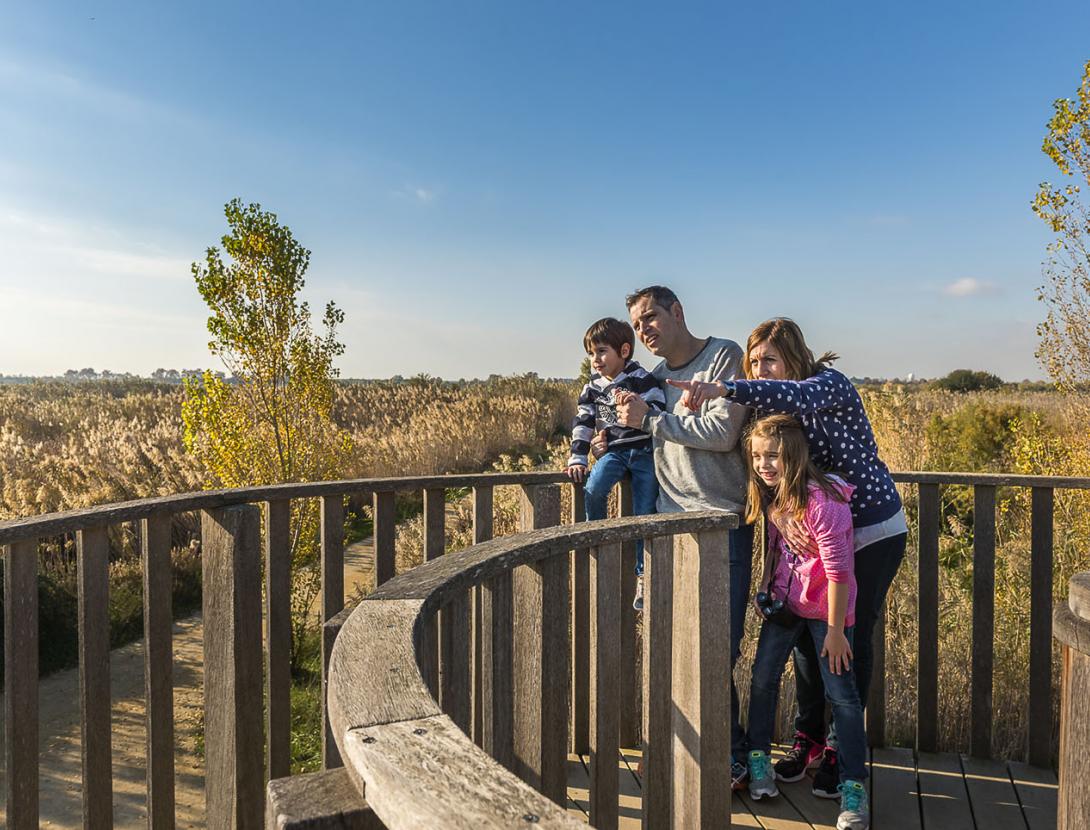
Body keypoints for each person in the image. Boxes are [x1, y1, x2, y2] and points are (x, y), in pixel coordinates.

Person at [668, 318, 908, 798]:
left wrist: (723, 386)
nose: (760, 370)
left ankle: (841, 749)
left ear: (794, 357)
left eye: (769, 360)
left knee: (849, 639)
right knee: (802, 641)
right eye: (753, 362)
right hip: (812, 541)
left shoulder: (826, 386)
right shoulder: (765, 404)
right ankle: (809, 739)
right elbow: (755, 456)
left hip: (871, 530)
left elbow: (797, 398)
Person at [612, 285, 755, 789]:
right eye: (636, 324)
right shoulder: (649, 378)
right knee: (675, 649)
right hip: (669, 530)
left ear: (677, 312)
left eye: (650, 316)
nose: (644, 329)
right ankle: (687, 758)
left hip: (721, 524)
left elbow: (723, 434)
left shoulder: (723, 358)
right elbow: (637, 445)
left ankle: (731, 760)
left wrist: (652, 419)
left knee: (719, 649)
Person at [742, 414, 870, 830]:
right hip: (787, 605)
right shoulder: (777, 497)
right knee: (763, 677)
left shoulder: (823, 502)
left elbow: (839, 572)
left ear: (795, 455)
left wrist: (835, 632)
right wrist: (764, 586)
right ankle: (758, 759)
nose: (764, 465)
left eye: (773, 456)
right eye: (758, 457)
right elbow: (775, 547)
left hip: (828, 615)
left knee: (843, 696)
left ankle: (854, 787)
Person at [566, 317, 664, 610]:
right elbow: (583, 423)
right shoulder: (592, 388)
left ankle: (642, 573)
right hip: (614, 453)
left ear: (624, 351)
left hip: (644, 453)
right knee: (594, 488)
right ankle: (595, 537)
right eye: (591, 353)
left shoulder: (641, 378)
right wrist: (578, 457)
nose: (595, 359)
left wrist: (638, 404)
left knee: (645, 511)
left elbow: (659, 409)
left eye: (601, 351)